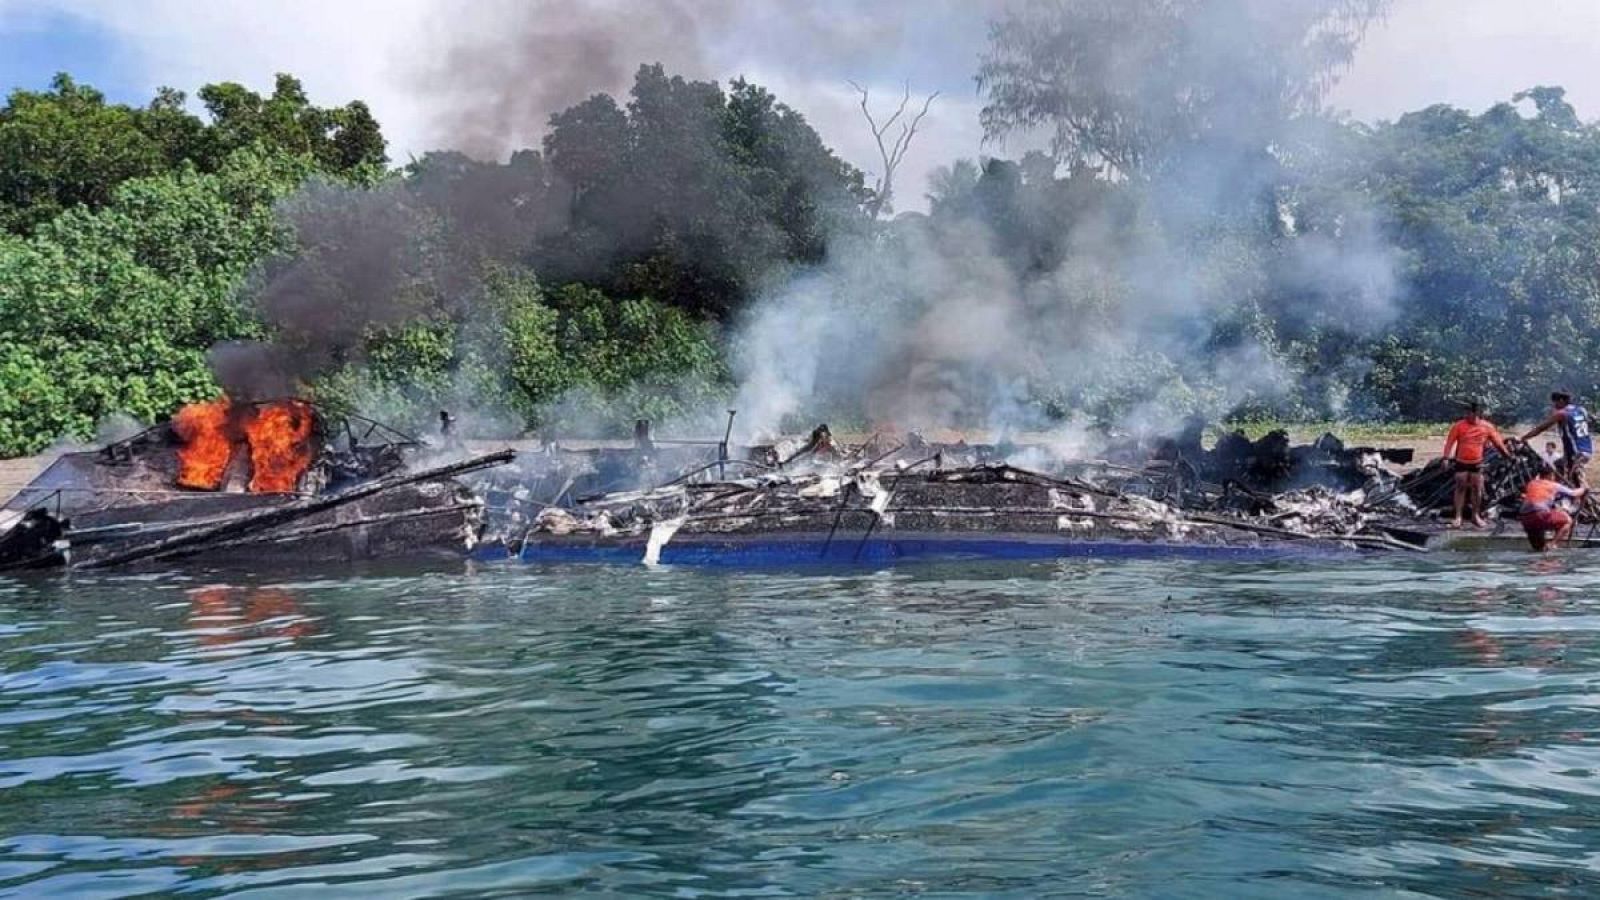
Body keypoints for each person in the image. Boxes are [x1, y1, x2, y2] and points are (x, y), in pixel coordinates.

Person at [1442, 401, 1512, 529]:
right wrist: (1445, 458)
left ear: (1476, 413)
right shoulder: (1458, 426)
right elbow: (1449, 442)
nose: (1466, 415)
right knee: (1460, 487)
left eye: (1469, 412)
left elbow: (1498, 443)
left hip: (1477, 463)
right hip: (1461, 462)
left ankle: (1475, 515)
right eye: (1465, 412)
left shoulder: (1487, 427)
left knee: (1477, 489)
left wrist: (1507, 456)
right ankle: (1458, 517)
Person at [1521, 391, 1593, 486]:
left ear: (1561, 400)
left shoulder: (1562, 414)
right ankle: (1561, 488)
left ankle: (1580, 493)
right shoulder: (1581, 410)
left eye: (1555, 402)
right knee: (1559, 464)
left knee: (1578, 480)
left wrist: (1523, 438)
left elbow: (1541, 428)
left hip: (1576, 452)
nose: (1554, 406)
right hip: (1587, 449)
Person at [1519, 461, 1587, 550]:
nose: (1554, 477)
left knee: (1538, 548)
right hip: (1540, 514)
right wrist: (1584, 489)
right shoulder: (1553, 485)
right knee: (1568, 521)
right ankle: (1552, 545)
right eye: (1553, 475)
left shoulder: (1531, 483)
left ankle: (1543, 551)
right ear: (1550, 475)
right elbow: (1573, 494)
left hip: (1525, 518)